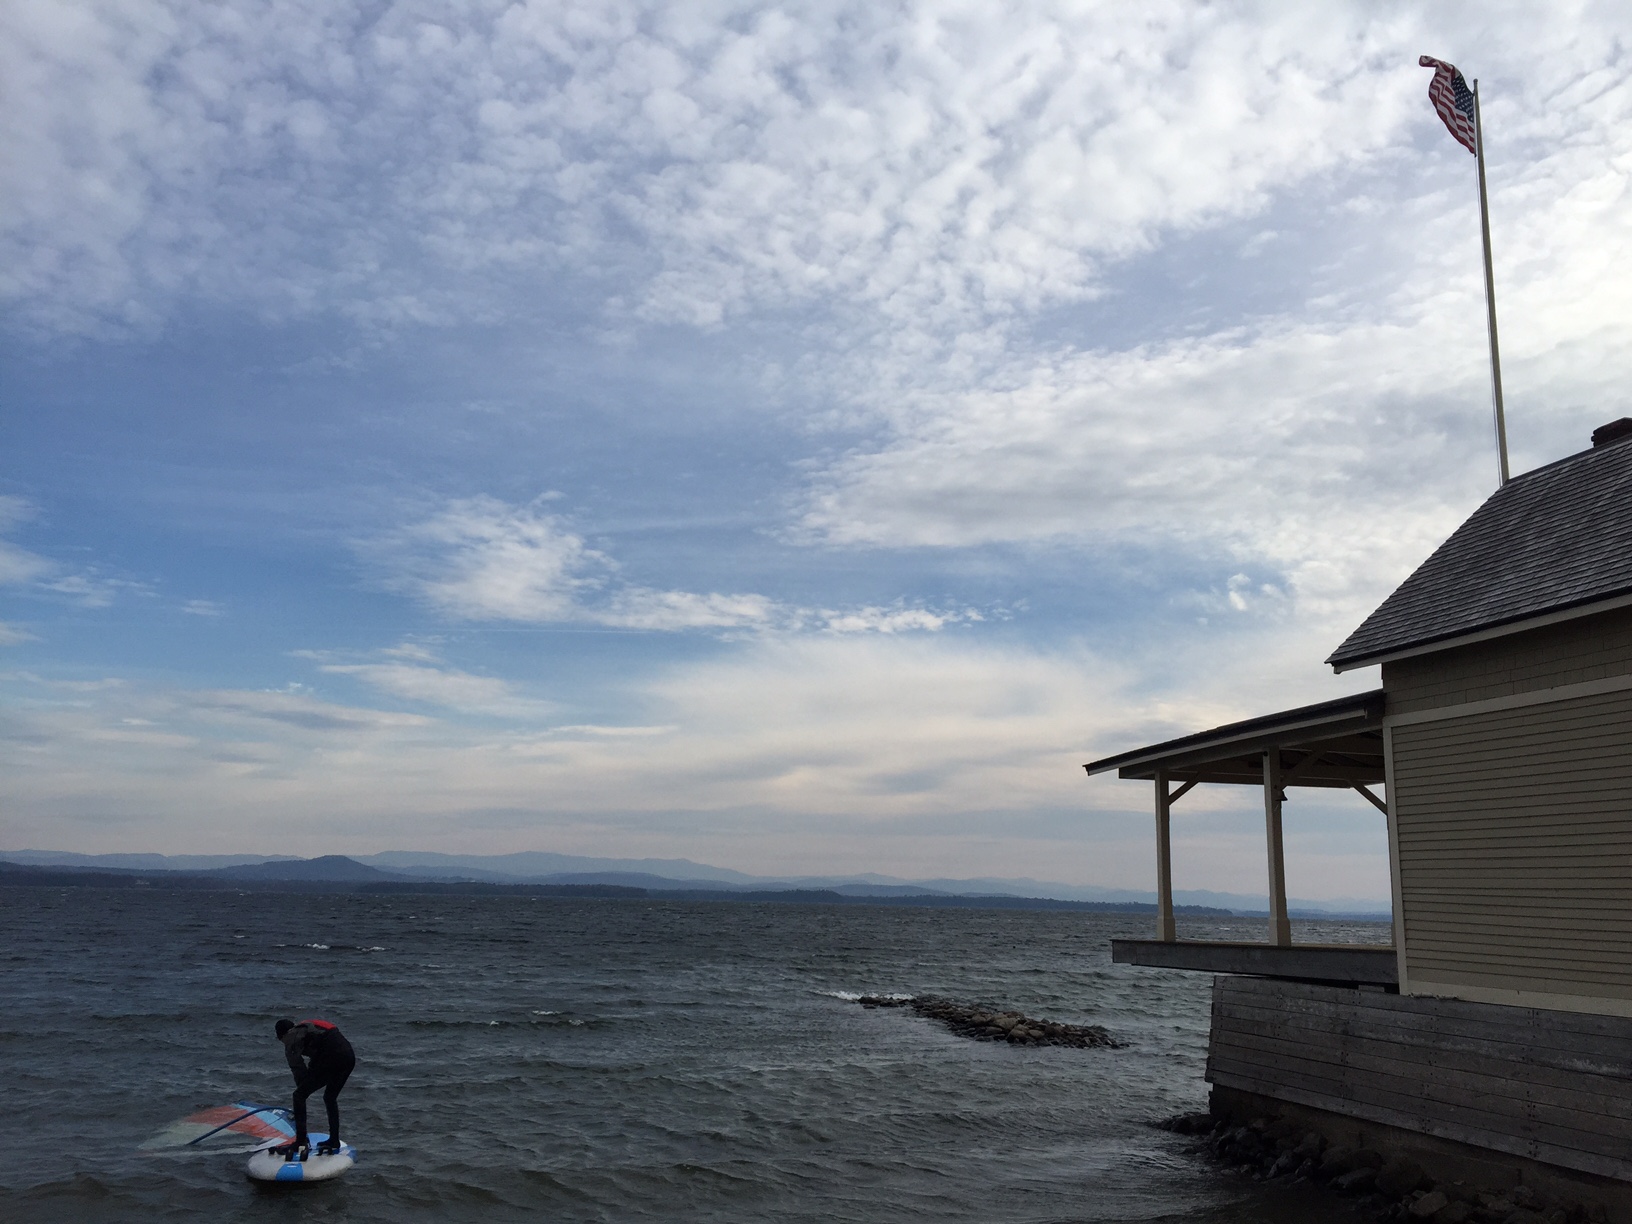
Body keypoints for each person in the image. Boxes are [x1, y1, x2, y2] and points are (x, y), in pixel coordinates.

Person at [271, 1017, 356, 1158]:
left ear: (281, 1036)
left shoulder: (290, 1038)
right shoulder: (306, 1028)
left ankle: (300, 1142)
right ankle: (334, 1140)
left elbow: (298, 1069)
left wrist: (301, 1095)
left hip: (332, 1057)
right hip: (348, 1056)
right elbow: (318, 1054)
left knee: (298, 1096)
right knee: (329, 1097)